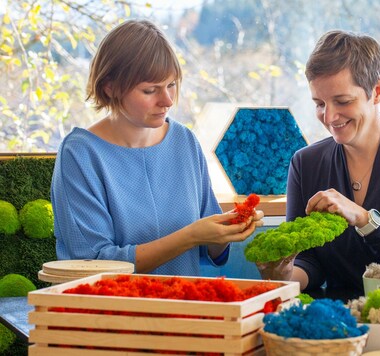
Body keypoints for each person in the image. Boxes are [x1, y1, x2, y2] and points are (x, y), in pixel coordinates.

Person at [258, 30, 380, 298]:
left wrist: (365, 220)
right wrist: (284, 275)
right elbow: (311, 262)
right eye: (319, 104)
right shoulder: (305, 163)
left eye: (342, 101)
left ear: (376, 91)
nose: (329, 117)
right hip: (335, 324)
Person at [51, 19, 263, 276]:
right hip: (109, 312)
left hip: (184, 308)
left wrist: (227, 230)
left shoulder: (185, 142)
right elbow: (93, 264)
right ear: (110, 87)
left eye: (171, 85)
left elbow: (211, 251)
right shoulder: (80, 154)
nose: (168, 100)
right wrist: (190, 235)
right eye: (150, 90)